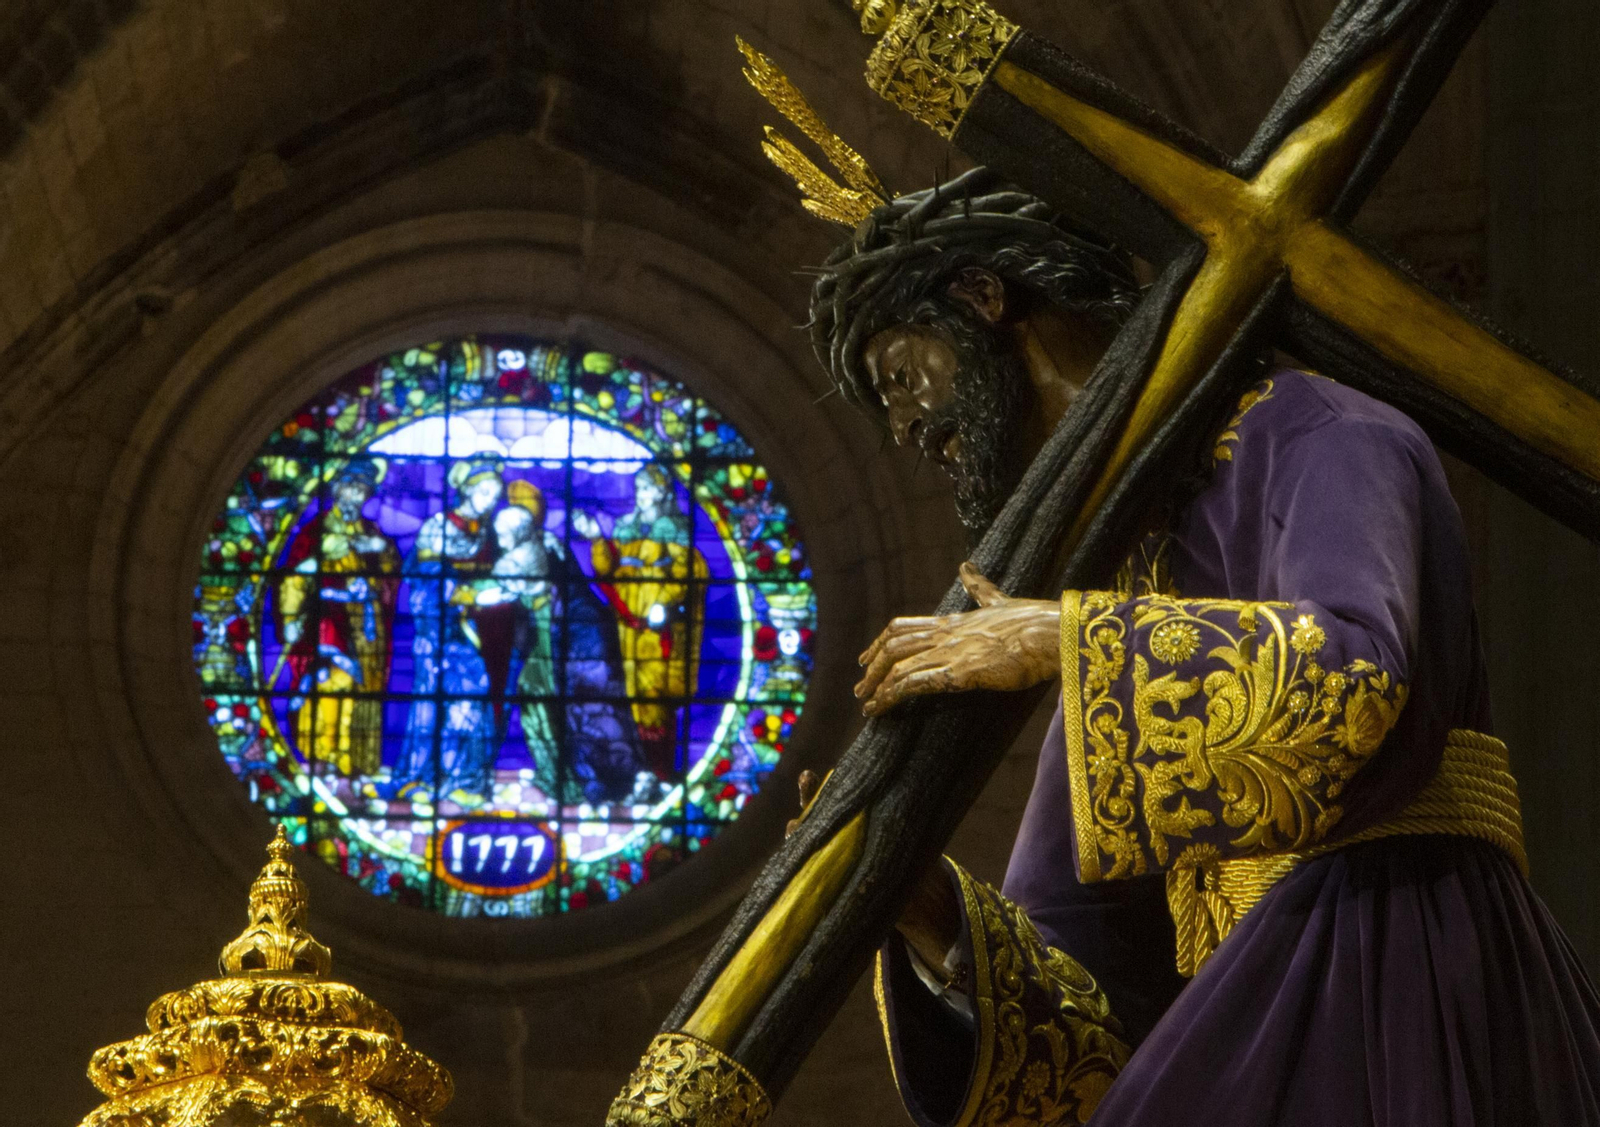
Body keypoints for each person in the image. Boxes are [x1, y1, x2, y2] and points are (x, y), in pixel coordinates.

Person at [812, 168, 1600, 1124]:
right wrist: (929, 915)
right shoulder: (1130, 575)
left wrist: (1061, 639)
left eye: (900, 375)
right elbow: (1088, 995)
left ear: (984, 298)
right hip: (1253, 988)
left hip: (1392, 953)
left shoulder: (1320, 431)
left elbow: (1356, 681)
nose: (903, 427)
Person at [571, 463, 709, 782]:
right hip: (629, 631)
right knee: (634, 701)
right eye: (639, 489)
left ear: (661, 492)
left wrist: (660, 601)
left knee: (655, 700)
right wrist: (595, 538)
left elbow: (689, 575)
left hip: (660, 633)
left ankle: (661, 770)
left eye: (647, 489)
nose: (641, 495)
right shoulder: (627, 530)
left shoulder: (677, 532)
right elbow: (607, 571)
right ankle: (642, 769)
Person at [387, 460, 503, 807]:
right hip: (437, 628)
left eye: (495, 496)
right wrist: (458, 596)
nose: (490, 501)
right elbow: (424, 580)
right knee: (431, 700)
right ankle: (418, 777)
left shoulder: (488, 533)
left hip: (474, 630)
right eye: (485, 492)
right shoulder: (437, 527)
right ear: (466, 489)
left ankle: (461, 778)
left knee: (471, 696)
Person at [274, 458, 399, 776]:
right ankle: (323, 755)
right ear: (337, 489)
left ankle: (355, 762)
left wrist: (382, 549)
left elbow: (391, 574)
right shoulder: (314, 532)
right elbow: (294, 578)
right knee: (332, 681)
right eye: (350, 487)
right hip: (328, 618)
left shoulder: (372, 532)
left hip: (368, 624)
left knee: (365, 689)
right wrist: (289, 619)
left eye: (363, 490)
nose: (356, 495)